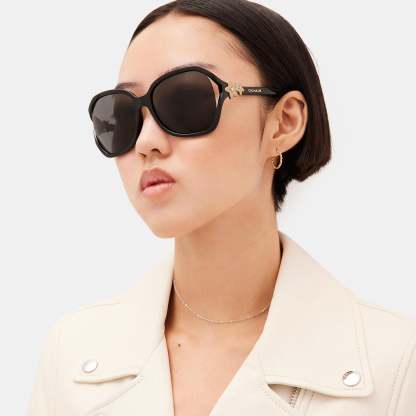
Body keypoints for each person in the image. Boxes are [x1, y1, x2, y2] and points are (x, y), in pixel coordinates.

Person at [27, 1, 416, 415]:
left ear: (284, 122)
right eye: (121, 116)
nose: (146, 143)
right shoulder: (73, 355)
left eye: (186, 100)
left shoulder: (395, 365)